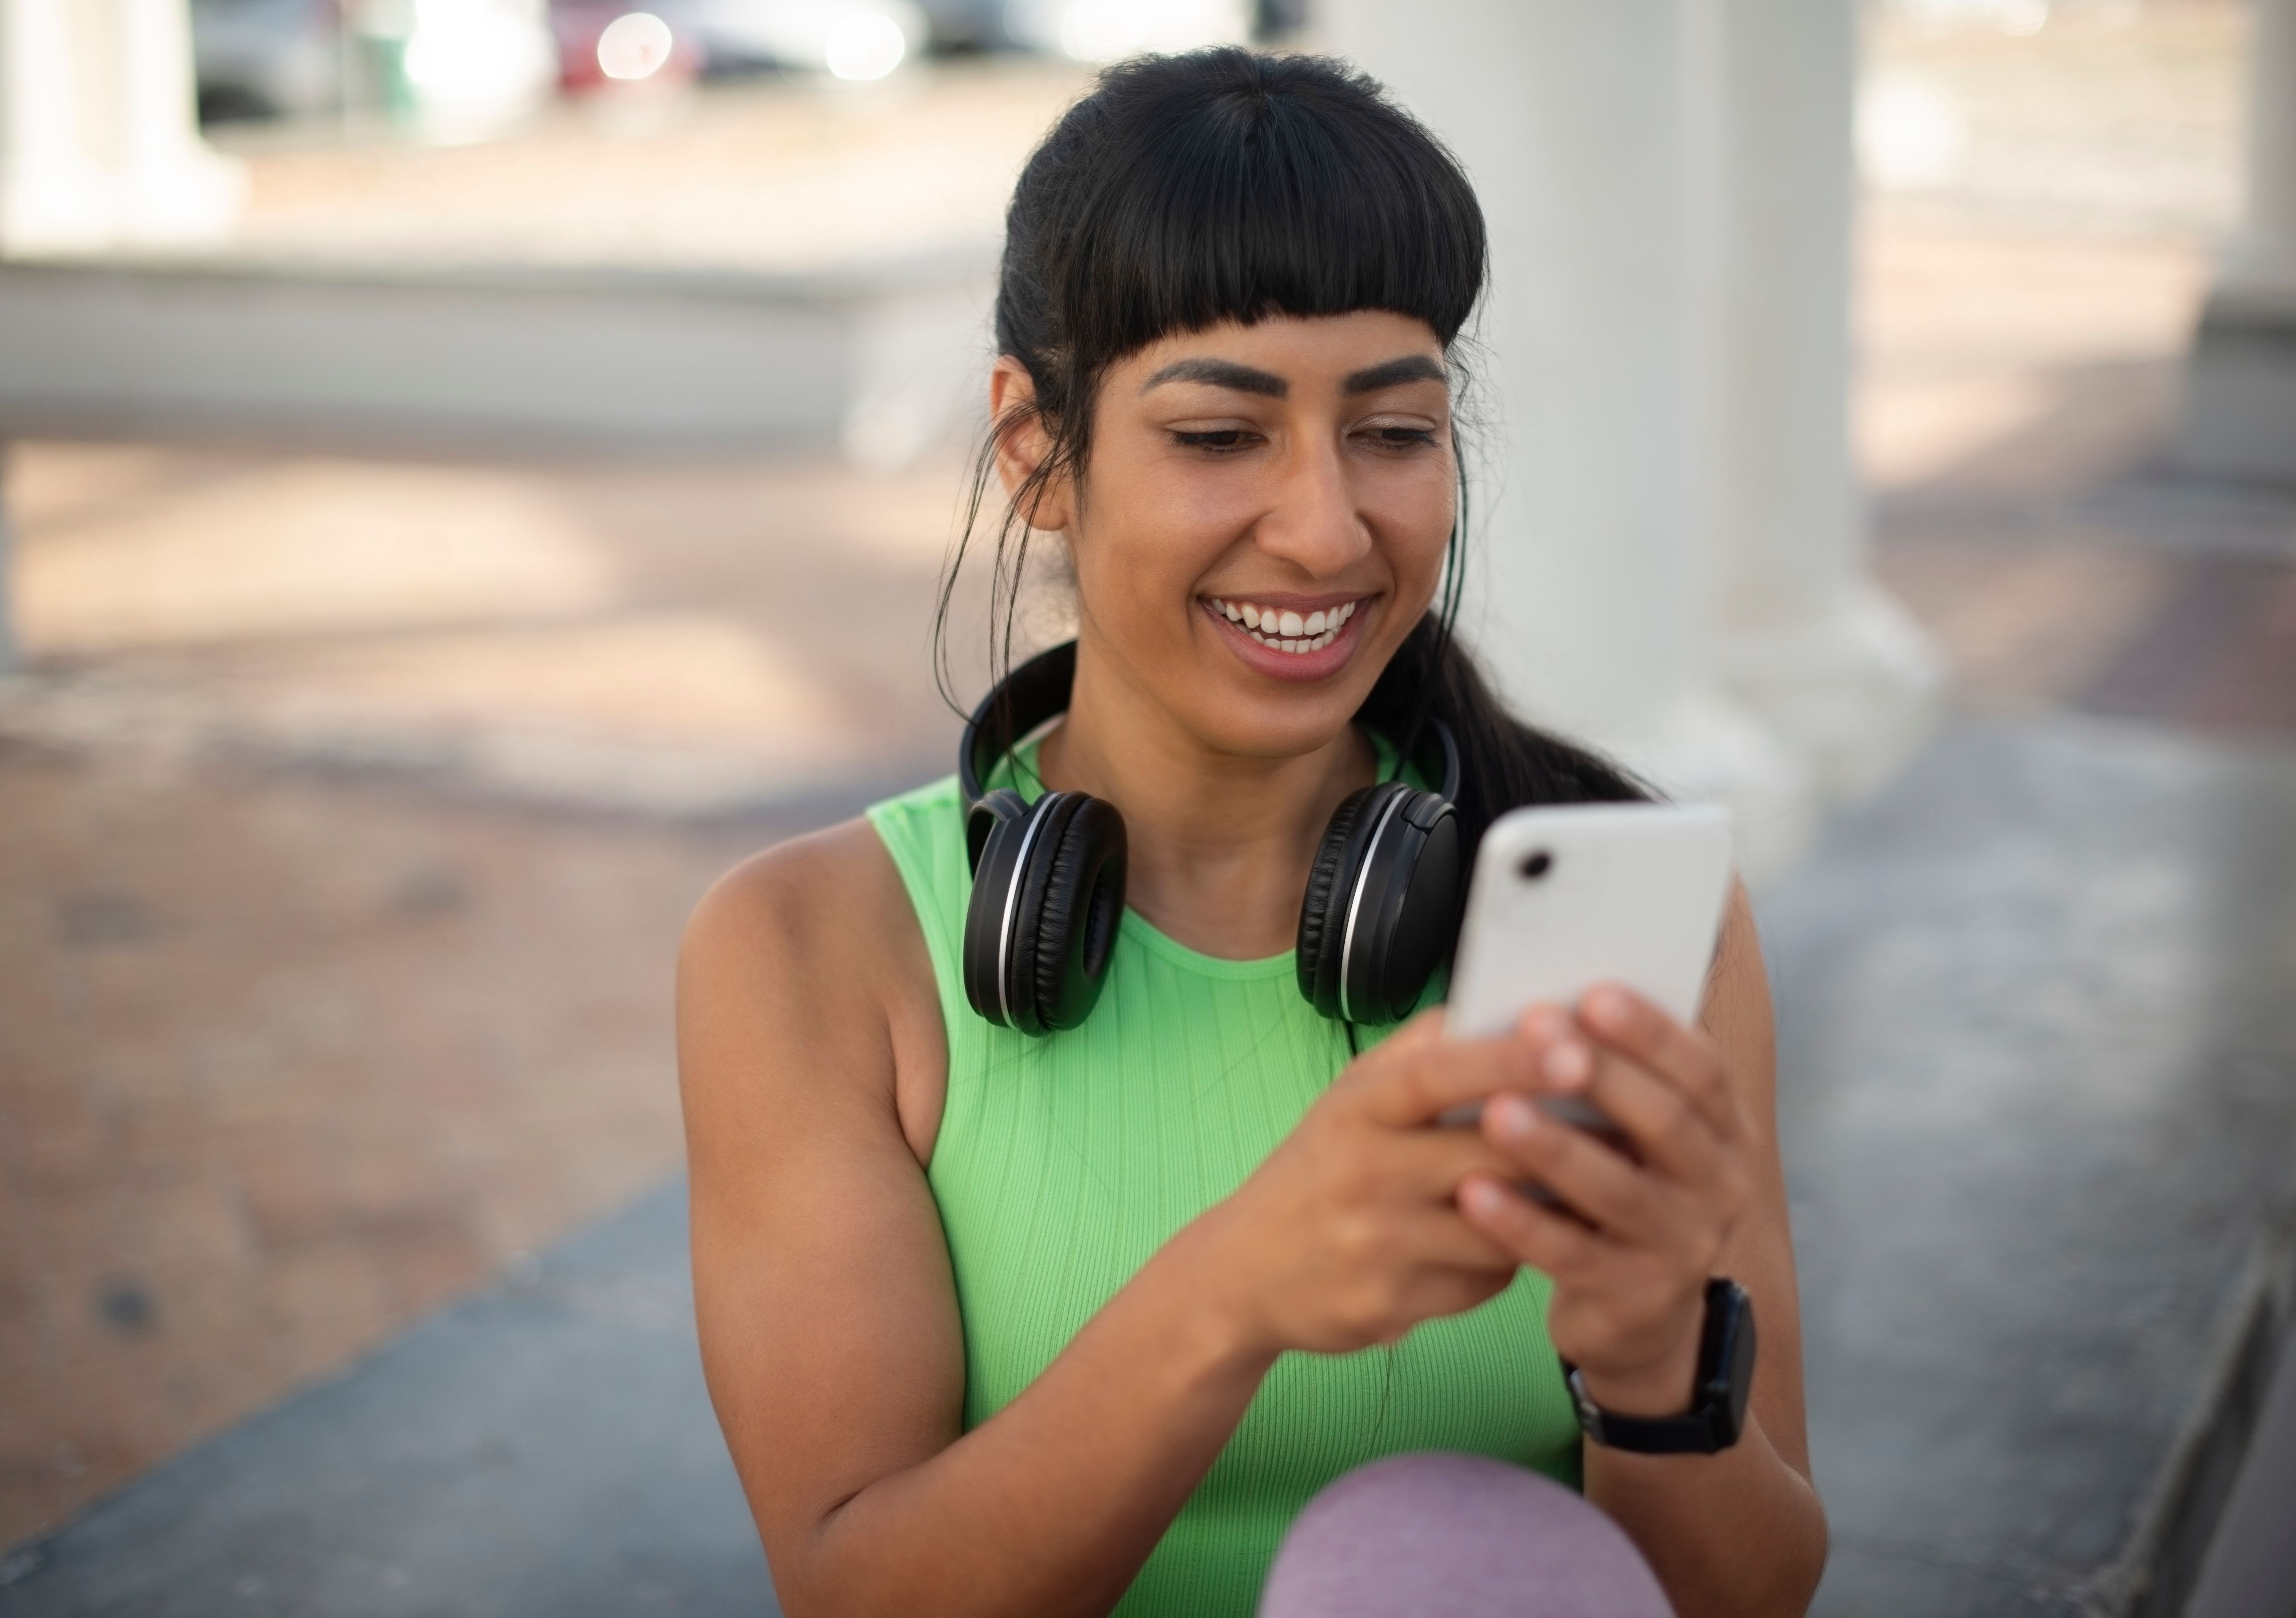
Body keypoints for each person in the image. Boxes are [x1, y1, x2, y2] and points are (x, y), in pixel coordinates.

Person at [678, 47, 1827, 1618]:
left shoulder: (1637, 926)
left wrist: (1648, 1371)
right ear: (1033, 450)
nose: (1324, 528)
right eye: (1220, 437)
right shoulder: (804, 953)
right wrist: (1232, 1292)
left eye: (1391, 432)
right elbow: (855, 1593)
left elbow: (1757, 1596)